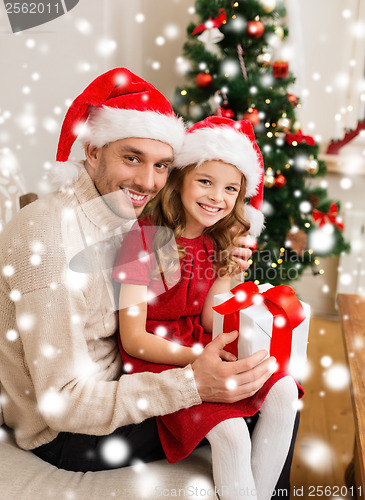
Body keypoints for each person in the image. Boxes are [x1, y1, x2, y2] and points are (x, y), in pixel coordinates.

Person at [0, 68, 275, 475]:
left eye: (162, 165)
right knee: (247, 413)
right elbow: (64, 403)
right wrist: (192, 383)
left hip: (124, 376)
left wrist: (226, 259)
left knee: (275, 391)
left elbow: (183, 287)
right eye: (132, 158)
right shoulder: (47, 235)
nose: (148, 181)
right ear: (92, 150)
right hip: (69, 433)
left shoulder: (127, 214)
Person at [112, 116, 303, 500]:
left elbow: (208, 319)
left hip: (202, 342)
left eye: (230, 188)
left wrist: (228, 273)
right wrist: (198, 359)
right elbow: (133, 339)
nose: (218, 197)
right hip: (160, 358)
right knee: (231, 433)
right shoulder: (143, 239)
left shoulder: (217, 239)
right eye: (205, 181)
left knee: (283, 389)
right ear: (180, 178)